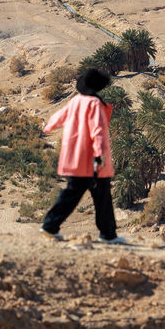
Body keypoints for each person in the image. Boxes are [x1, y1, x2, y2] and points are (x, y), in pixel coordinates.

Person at [41, 67, 125, 244]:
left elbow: (59, 117)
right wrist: (100, 154)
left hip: (73, 157)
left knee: (73, 194)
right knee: (102, 198)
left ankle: (52, 226)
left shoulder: (76, 101)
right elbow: (98, 131)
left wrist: (48, 127)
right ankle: (107, 234)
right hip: (92, 162)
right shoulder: (95, 104)